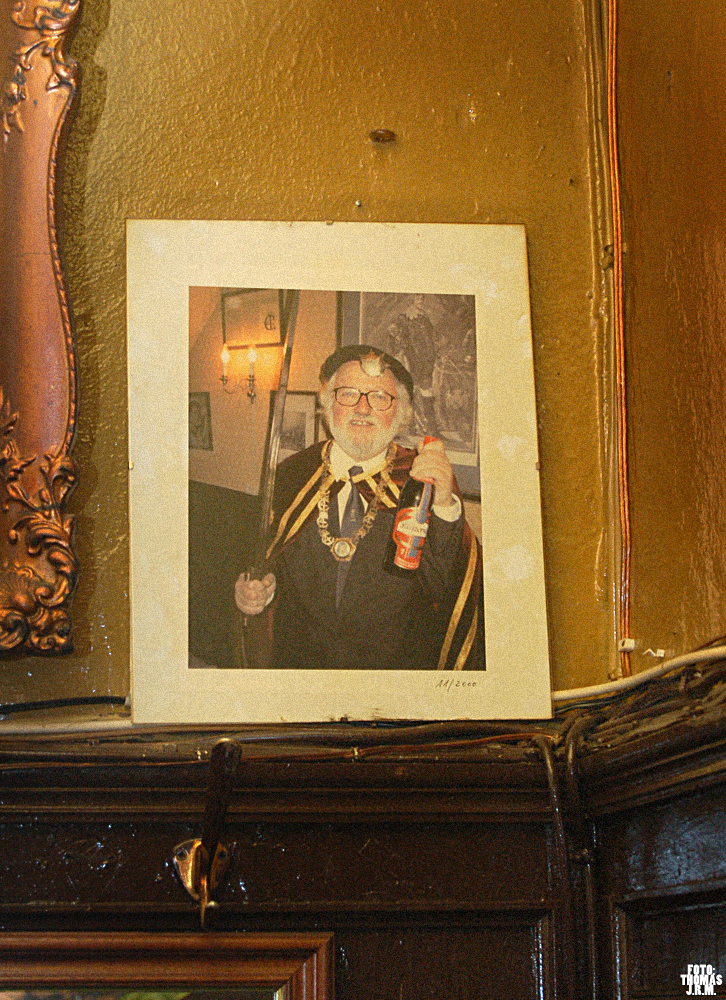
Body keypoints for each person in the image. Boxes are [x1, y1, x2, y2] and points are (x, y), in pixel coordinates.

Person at [235, 344, 483, 670]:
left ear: (402, 412)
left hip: (390, 672)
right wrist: (257, 594)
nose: (363, 408)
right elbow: (267, 563)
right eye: (349, 394)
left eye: (379, 397)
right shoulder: (292, 474)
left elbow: (446, 587)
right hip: (299, 666)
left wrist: (444, 505)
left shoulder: (424, 478)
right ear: (327, 404)